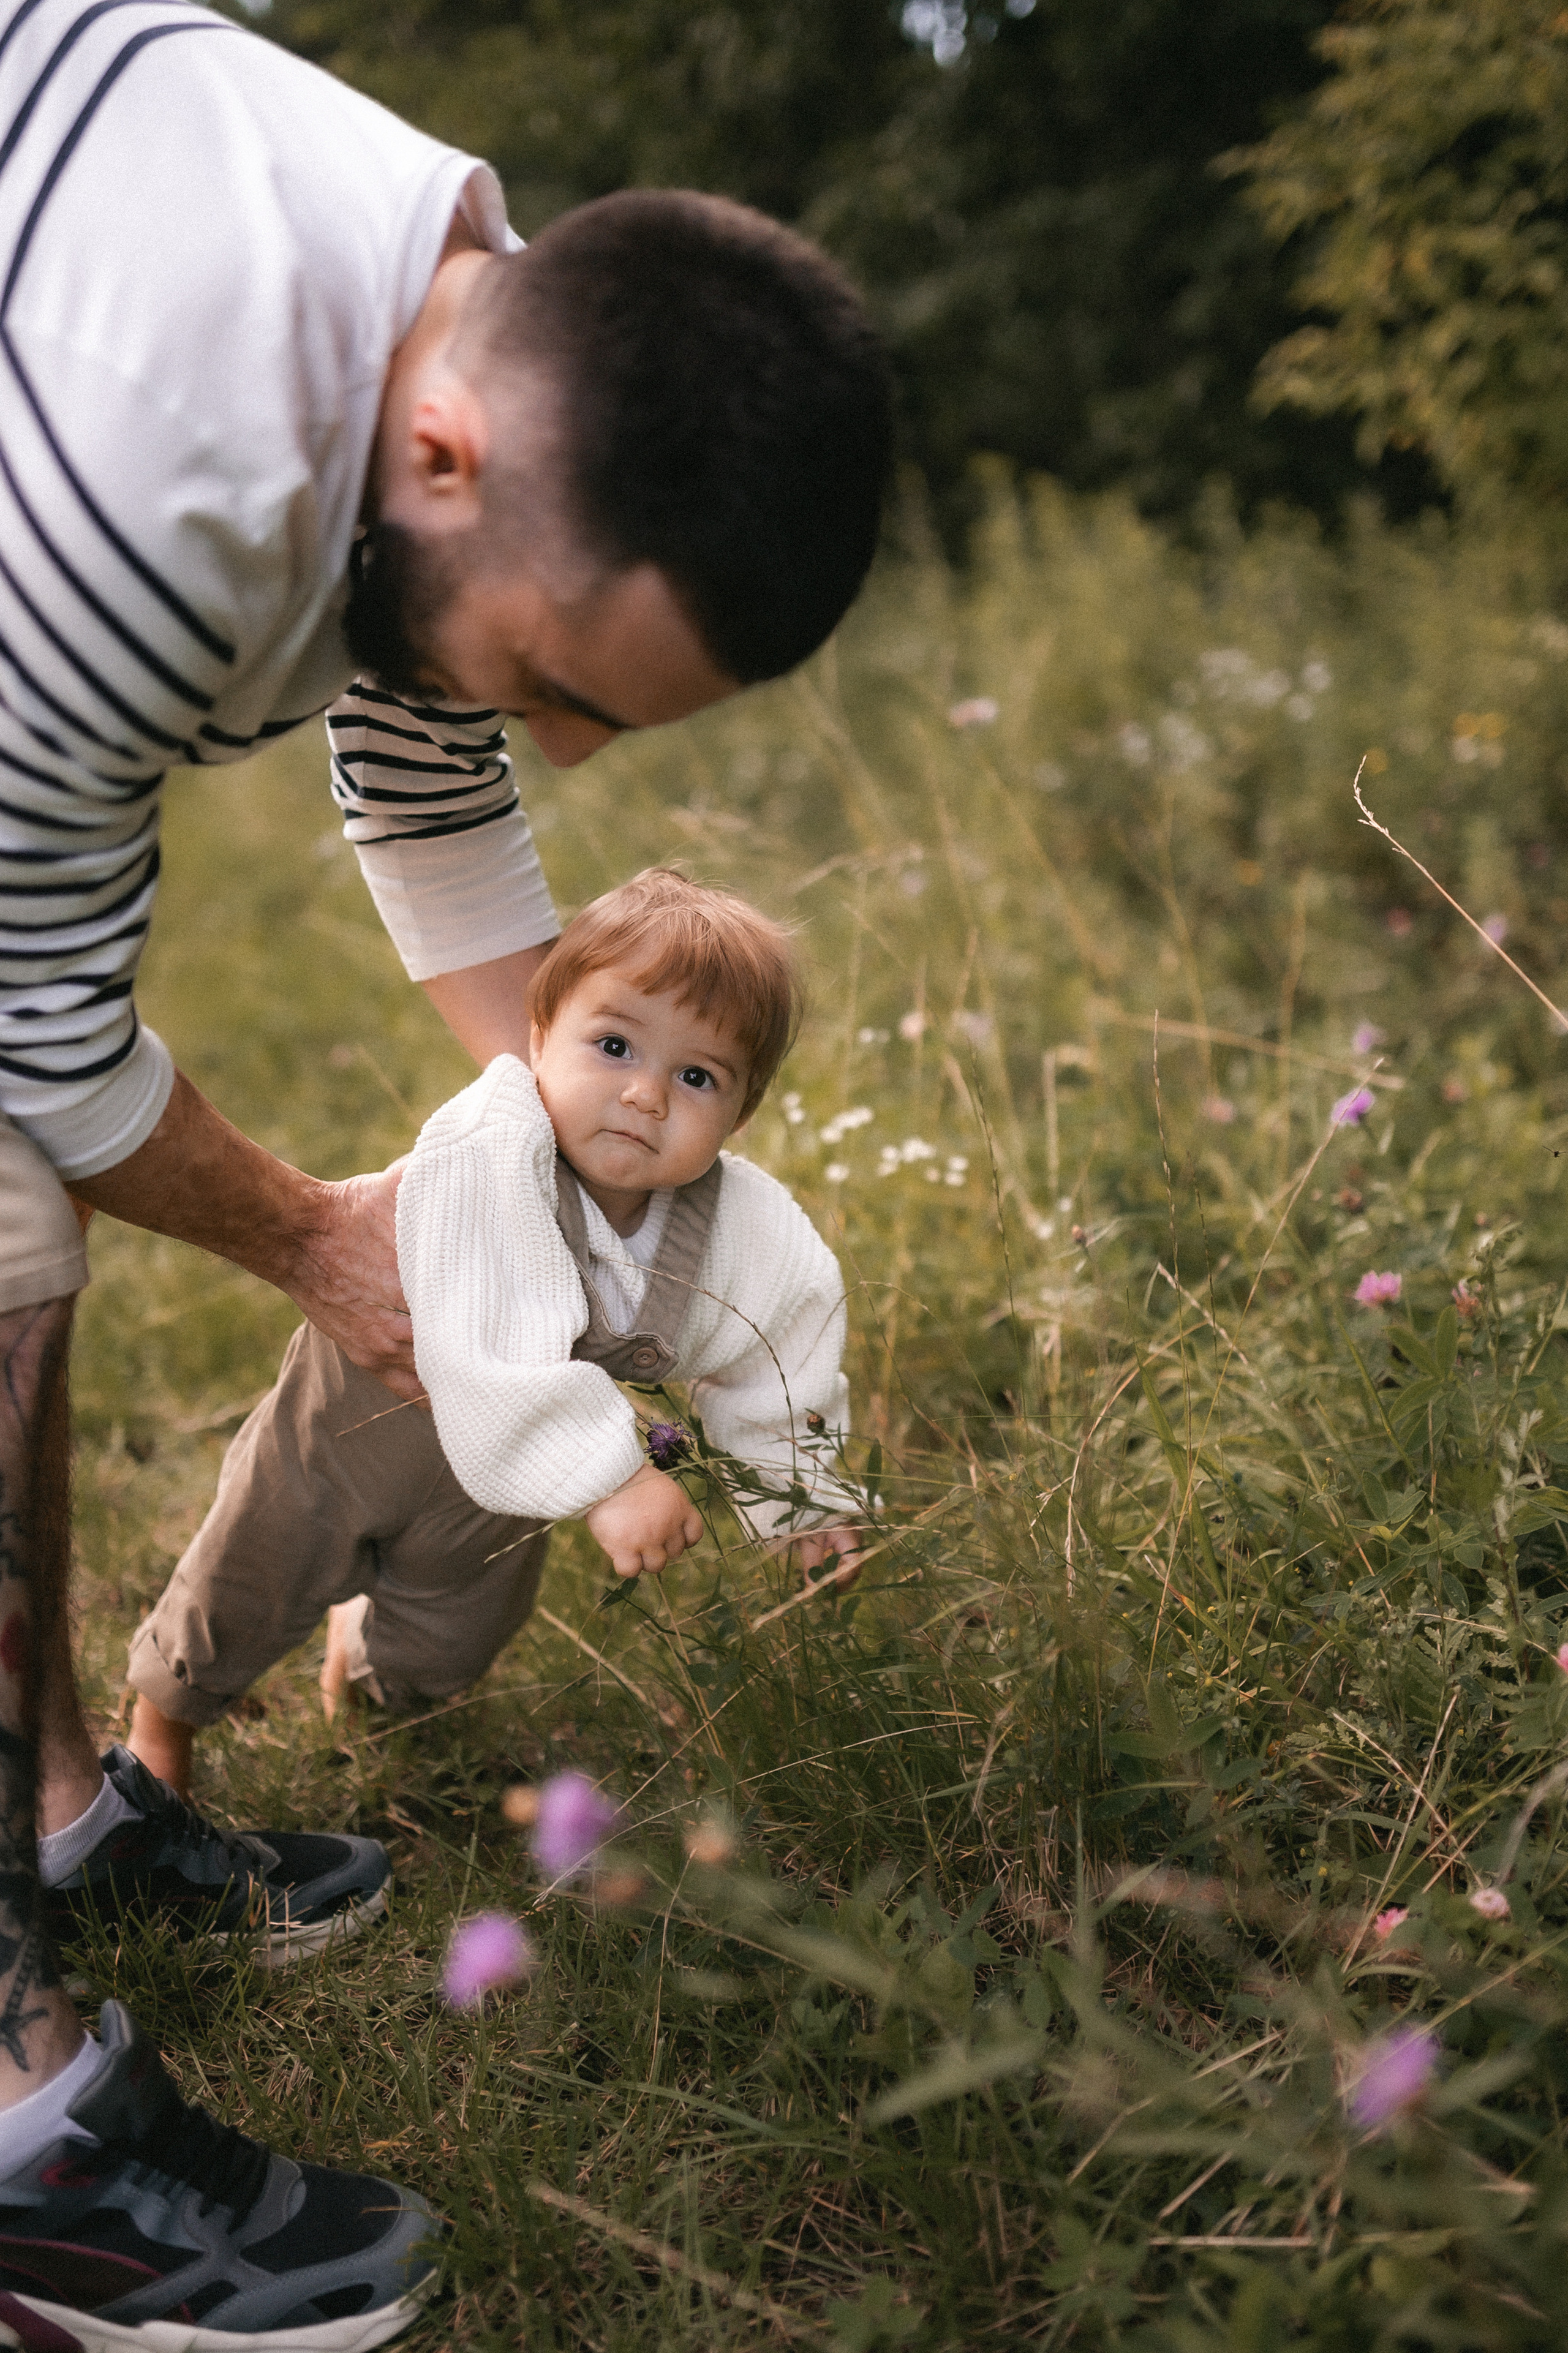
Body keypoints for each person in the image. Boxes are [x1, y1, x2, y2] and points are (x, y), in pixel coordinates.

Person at [0, 0, 892, 2333]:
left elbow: (431, 772)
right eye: (564, 676)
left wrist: (590, 1185)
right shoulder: (158, 466)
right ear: (441, 450)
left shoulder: (453, 331)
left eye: (620, 720)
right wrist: (321, 1236)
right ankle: (22, 2142)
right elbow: (35, 1026)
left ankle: (54, 1810)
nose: (570, 745)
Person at [124, 872, 861, 1792]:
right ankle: (164, 1724)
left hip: (499, 1485)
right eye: (615, 1044)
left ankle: (370, 1666)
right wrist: (616, 1475)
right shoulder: (492, 1143)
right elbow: (498, 1330)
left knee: (452, 1636)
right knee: (259, 1564)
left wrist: (801, 1493)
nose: (644, 1095)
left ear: (740, 1112)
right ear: (539, 1036)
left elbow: (783, 1333)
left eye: (697, 1075)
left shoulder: (733, 1224)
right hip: (364, 1417)